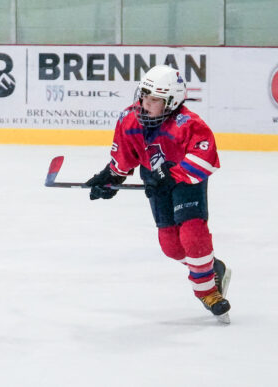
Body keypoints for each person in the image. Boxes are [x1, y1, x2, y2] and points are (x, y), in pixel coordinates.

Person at [84, 64, 232, 323]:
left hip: (187, 180)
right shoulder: (128, 119)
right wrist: (110, 178)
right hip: (155, 180)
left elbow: (204, 156)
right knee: (171, 246)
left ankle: (209, 293)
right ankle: (211, 268)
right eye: (143, 95)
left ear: (171, 102)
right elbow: (125, 157)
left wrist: (173, 175)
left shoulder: (189, 123)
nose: (144, 103)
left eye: (153, 100)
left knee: (192, 236)